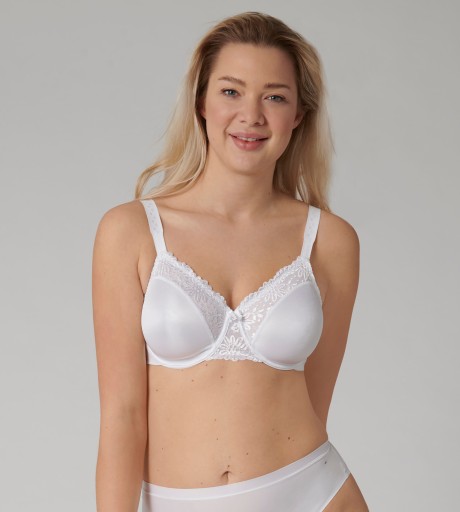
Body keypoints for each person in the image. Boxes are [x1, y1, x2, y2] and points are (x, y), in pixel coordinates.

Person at [92, 11, 369, 512]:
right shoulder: (131, 232)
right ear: (201, 102)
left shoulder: (330, 241)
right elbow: (122, 415)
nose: (251, 115)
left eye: (275, 97)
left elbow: (316, 403)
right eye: (231, 91)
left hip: (312, 494)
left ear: (298, 114)